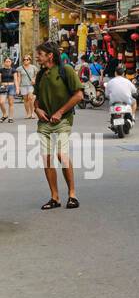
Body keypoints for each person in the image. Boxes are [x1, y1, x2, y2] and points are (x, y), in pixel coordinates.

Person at [33, 42, 82, 210]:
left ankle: (72, 195)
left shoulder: (66, 70)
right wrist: (37, 109)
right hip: (44, 122)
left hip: (63, 120)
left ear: (50, 55)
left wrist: (60, 112)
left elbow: (78, 95)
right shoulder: (40, 74)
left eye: (39, 54)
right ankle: (54, 197)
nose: (37, 57)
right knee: (47, 159)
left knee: (62, 155)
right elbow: (36, 99)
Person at [17, 56, 37, 120]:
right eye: (24, 59)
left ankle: (32, 113)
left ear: (30, 60)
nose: (25, 60)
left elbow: (37, 75)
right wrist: (18, 86)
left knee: (30, 98)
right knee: (25, 100)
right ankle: (28, 113)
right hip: (23, 85)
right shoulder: (20, 68)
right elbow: (19, 77)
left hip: (31, 85)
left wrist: (34, 79)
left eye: (27, 59)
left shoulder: (33, 67)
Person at [0, 58, 15, 123]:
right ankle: (5, 114)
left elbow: (16, 80)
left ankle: (10, 117)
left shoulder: (13, 70)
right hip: (3, 87)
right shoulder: (1, 70)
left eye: (9, 61)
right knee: (1, 102)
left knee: (11, 103)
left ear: (11, 62)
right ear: (4, 62)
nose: (8, 62)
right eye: (6, 61)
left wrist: (17, 88)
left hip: (11, 86)